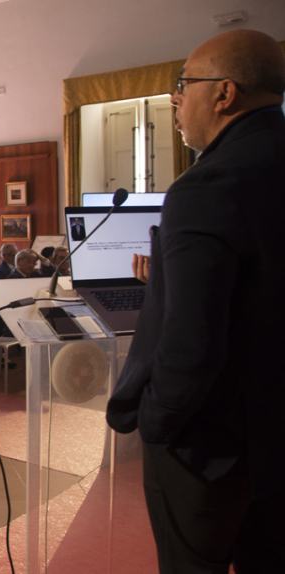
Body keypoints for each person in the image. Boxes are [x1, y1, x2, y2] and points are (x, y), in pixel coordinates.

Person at [106, 29, 285, 573]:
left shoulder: (206, 186)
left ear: (225, 93)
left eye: (184, 84)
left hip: (213, 445)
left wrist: (158, 427)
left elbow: (193, 346)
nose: (175, 99)